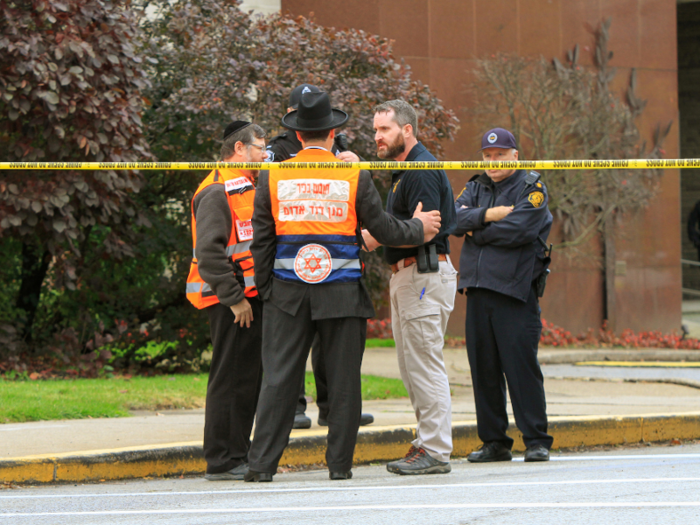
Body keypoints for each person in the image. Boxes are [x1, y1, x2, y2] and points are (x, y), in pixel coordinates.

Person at [245, 91, 442, 482]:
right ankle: (339, 467)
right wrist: (419, 228)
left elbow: (261, 241)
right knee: (344, 383)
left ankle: (261, 466)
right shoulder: (353, 174)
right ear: (333, 132)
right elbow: (383, 229)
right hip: (342, 295)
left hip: (286, 294)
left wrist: (267, 290)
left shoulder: (273, 174)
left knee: (278, 380)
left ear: (297, 136)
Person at [266, 83, 374, 430]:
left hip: (335, 260)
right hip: (296, 261)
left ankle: (331, 408)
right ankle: (296, 408)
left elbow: (358, 199)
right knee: (292, 350)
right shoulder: (278, 152)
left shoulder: (339, 149)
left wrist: (355, 165)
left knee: (332, 351)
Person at [362, 100, 457, 476]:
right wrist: (379, 235)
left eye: (384, 129)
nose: (377, 137)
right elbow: (406, 228)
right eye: (375, 130)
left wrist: (376, 236)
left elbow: (427, 229)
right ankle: (426, 443)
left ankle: (435, 449)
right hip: (409, 275)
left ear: (407, 130)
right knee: (411, 366)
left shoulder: (418, 169)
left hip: (422, 274)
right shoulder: (403, 172)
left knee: (424, 364)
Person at [453, 127, 553, 463]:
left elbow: (520, 229)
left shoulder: (530, 187)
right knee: (484, 370)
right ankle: (494, 441)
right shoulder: (476, 186)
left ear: (515, 156)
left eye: (500, 155)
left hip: (514, 291)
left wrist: (476, 231)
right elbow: (453, 220)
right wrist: (490, 215)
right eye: (488, 155)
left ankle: (536, 439)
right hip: (478, 289)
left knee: (520, 368)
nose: (493, 161)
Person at [185, 120, 268, 480]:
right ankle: (222, 459)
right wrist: (236, 300)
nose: (265, 156)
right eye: (259, 149)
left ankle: (237, 453)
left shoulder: (244, 186)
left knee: (244, 378)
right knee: (230, 378)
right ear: (239, 149)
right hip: (230, 302)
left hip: (244, 298)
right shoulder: (217, 191)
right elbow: (209, 254)